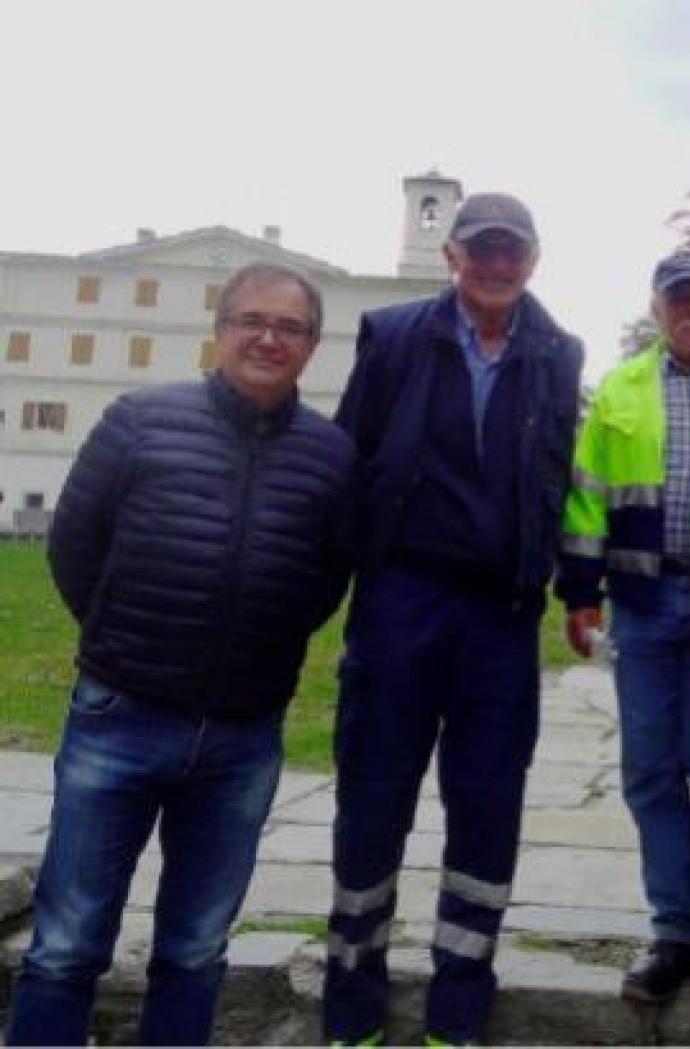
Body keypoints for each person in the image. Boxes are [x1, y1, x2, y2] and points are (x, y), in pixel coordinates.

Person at [5, 263, 353, 1046]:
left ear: (311, 345)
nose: (269, 337)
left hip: (240, 735)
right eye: (251, 320)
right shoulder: (138, 420)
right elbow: (72, 547)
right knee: (66, 945)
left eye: (290, 327)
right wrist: (122, 641)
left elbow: (324, 581)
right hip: (119, 719)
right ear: (220, 329)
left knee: (196, 949)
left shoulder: (331, 457)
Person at [322, 193, 583, 1047]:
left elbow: (557, 475)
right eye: (481, 249)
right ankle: (352, 999)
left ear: (533, 259)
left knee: (487, 802)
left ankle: (459, 998)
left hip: (501, 614)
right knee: (372, 794)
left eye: (511, 250)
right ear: (454, 257)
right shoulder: (394, 334)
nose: (495, 264)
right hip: (402, 598)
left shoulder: (558, 350)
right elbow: (350, 455)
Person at [558, 250, 690, 1003]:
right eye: (678, 299)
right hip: (644, 607)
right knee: (650, 774)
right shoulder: (620, 385)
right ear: (656, 307)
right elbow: (588, 499)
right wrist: (579, 591)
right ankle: (670, 931)